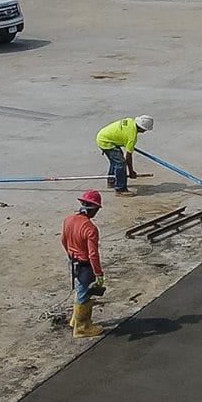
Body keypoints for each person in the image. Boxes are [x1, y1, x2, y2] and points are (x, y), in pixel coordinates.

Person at [62, 189, 106, 338]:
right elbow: (93, 254)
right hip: (85, 265)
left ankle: (75, 320)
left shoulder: (68, 220)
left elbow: (63, 240)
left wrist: (71, 255)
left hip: (72, 261)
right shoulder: (90, 229)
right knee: (84, 294)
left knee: (80, 290)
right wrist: (99, 273)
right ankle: (82, 328)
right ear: (93, 209)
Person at [95, 113, 154, 195]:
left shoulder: (130, 121)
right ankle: (120, 189)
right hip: (106, 142)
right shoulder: (132, 137)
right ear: (142, 129)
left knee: (115, 161)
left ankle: (112, 181)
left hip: (103, 136)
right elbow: (128, 157)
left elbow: (122, 134)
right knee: (121, 163)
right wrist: (131, 172)